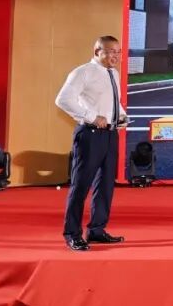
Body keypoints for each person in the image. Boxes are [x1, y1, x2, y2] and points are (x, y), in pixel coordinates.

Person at [55, 36, 128, 251]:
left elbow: (113, 102)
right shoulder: (83, 72)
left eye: (118, 51)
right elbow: (63, 99)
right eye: (110, 51)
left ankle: (97, 229)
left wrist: (121, 116)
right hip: (90, 134)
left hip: (110, 134)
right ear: (97, 51)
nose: (115, 56)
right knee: (81, 185)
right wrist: (91, 117)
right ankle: (72, 233)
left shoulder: (113, 73)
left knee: (105, 185)